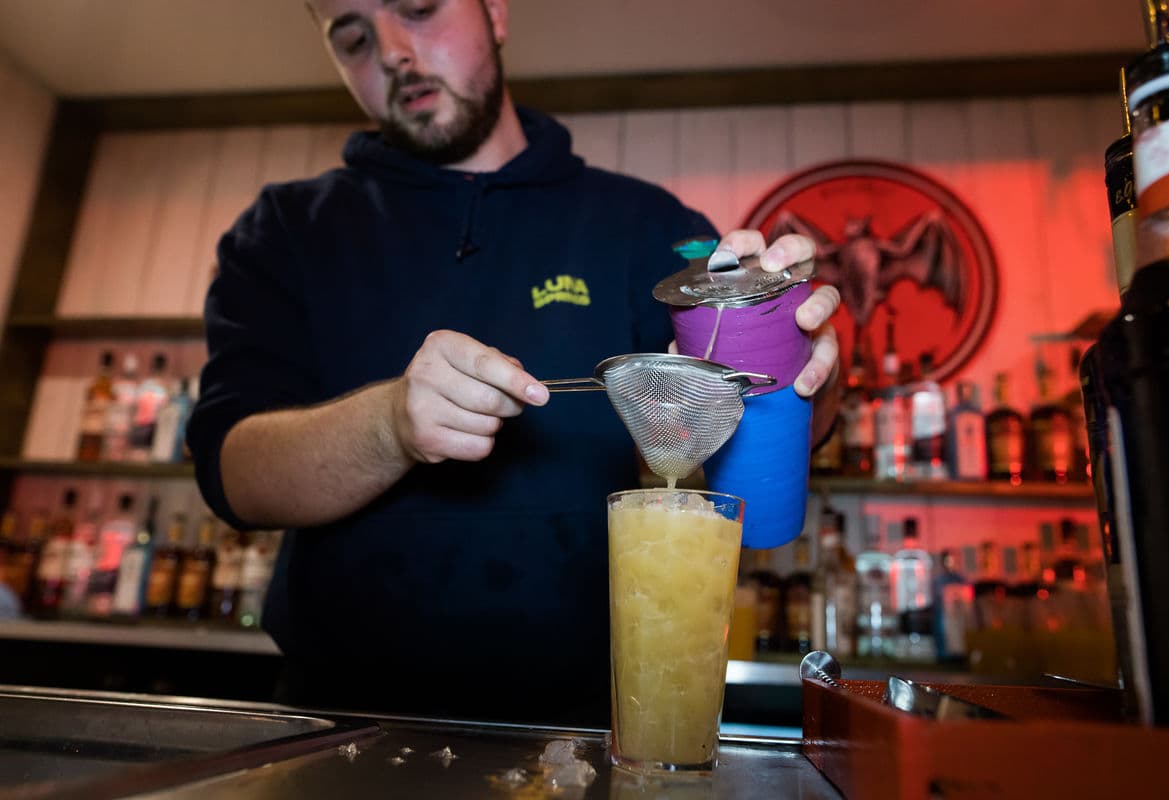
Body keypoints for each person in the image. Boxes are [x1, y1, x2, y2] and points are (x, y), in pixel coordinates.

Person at [186, 0, 842, 726]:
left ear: (496, 12)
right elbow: (232, 474)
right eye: (353, 36)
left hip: (598, 726)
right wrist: (390, 427)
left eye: (419, 7)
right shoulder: (283, 232)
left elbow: (753, 454)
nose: (395, 49)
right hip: (336, 726)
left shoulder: (648, 229)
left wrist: (798, 363)